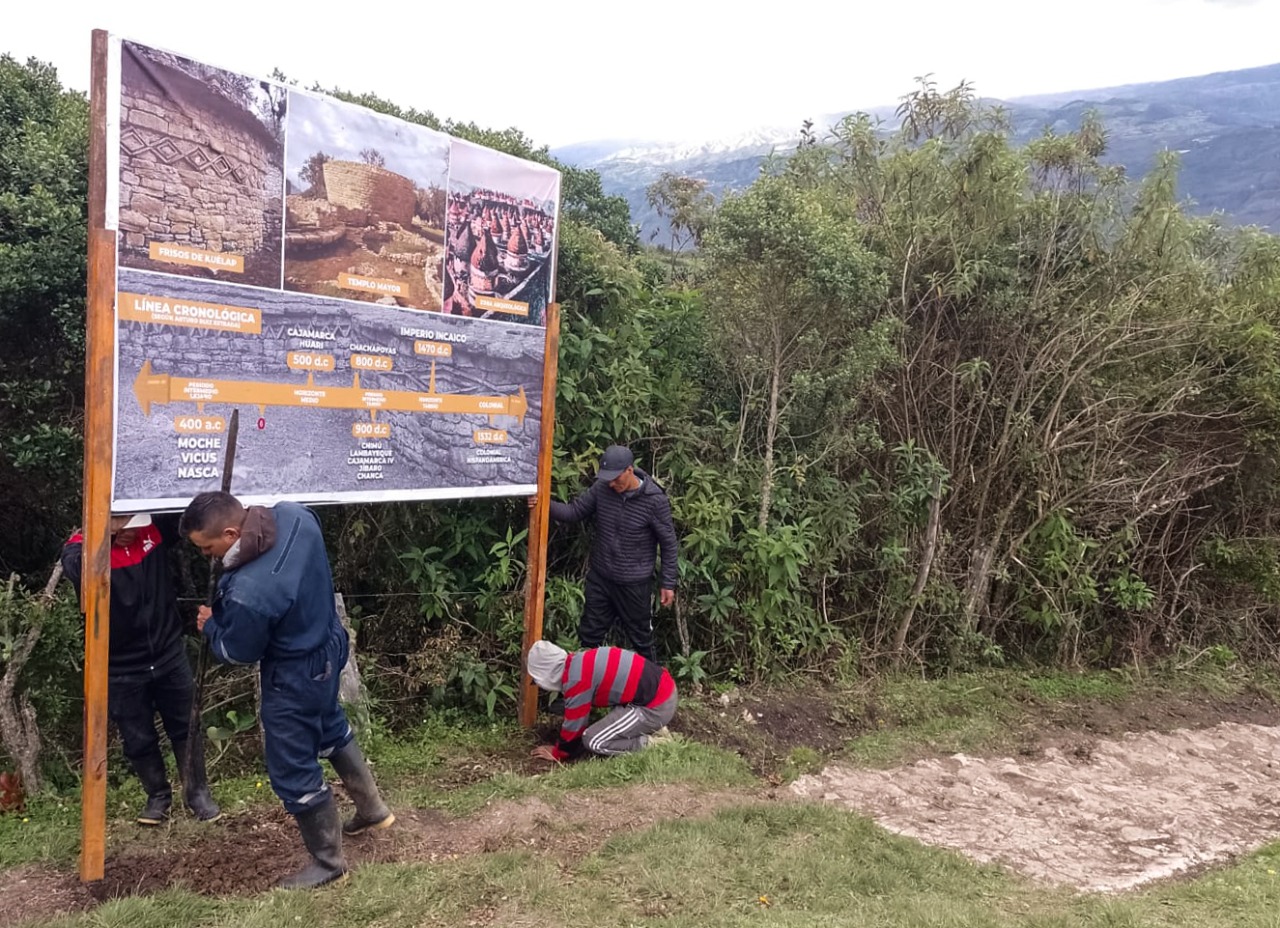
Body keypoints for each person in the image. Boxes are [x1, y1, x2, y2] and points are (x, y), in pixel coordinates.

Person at [180, 492, 393, 889]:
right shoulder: (296, 516)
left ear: (230, 532)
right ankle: (373, 809)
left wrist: (211, 626)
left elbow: (238, 652)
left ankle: (328, 862)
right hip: (329, 644)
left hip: (293, 672)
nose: (208, 558)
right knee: (329, 724)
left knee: (292, 764)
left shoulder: (250, 592)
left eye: (208, 548)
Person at [61, 513, 220, 825]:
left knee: (186, 725)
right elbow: (76, 568)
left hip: (168, 652)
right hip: (120, 665)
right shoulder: (79, 548)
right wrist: (105, 539)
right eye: (119, 522)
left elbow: (188, 516)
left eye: (131, 520)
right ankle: (157, 795)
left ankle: (197, 793)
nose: (128, 529)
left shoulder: (155, 530)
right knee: (138, 737)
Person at [536, 444, 678, 663]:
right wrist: (542, 503)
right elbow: (574, 512)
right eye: (608, 479)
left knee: (641, 639)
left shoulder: (654, 500)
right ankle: (584, 688)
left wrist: (668, 582)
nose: (612, 484)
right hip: (601, 579)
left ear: (629, 471)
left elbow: (668, 542)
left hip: (634, 584)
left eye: (616, 479)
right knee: (589, 636)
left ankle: (653, 691)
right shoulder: (602, 489)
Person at [525, 640, 677, 762]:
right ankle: (653, 727)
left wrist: (559, 753)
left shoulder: (576, 681)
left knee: (593, 740)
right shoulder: (579, 661)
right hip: (661, 690)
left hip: (655, 706)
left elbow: (574, 727)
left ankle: (653, 744)